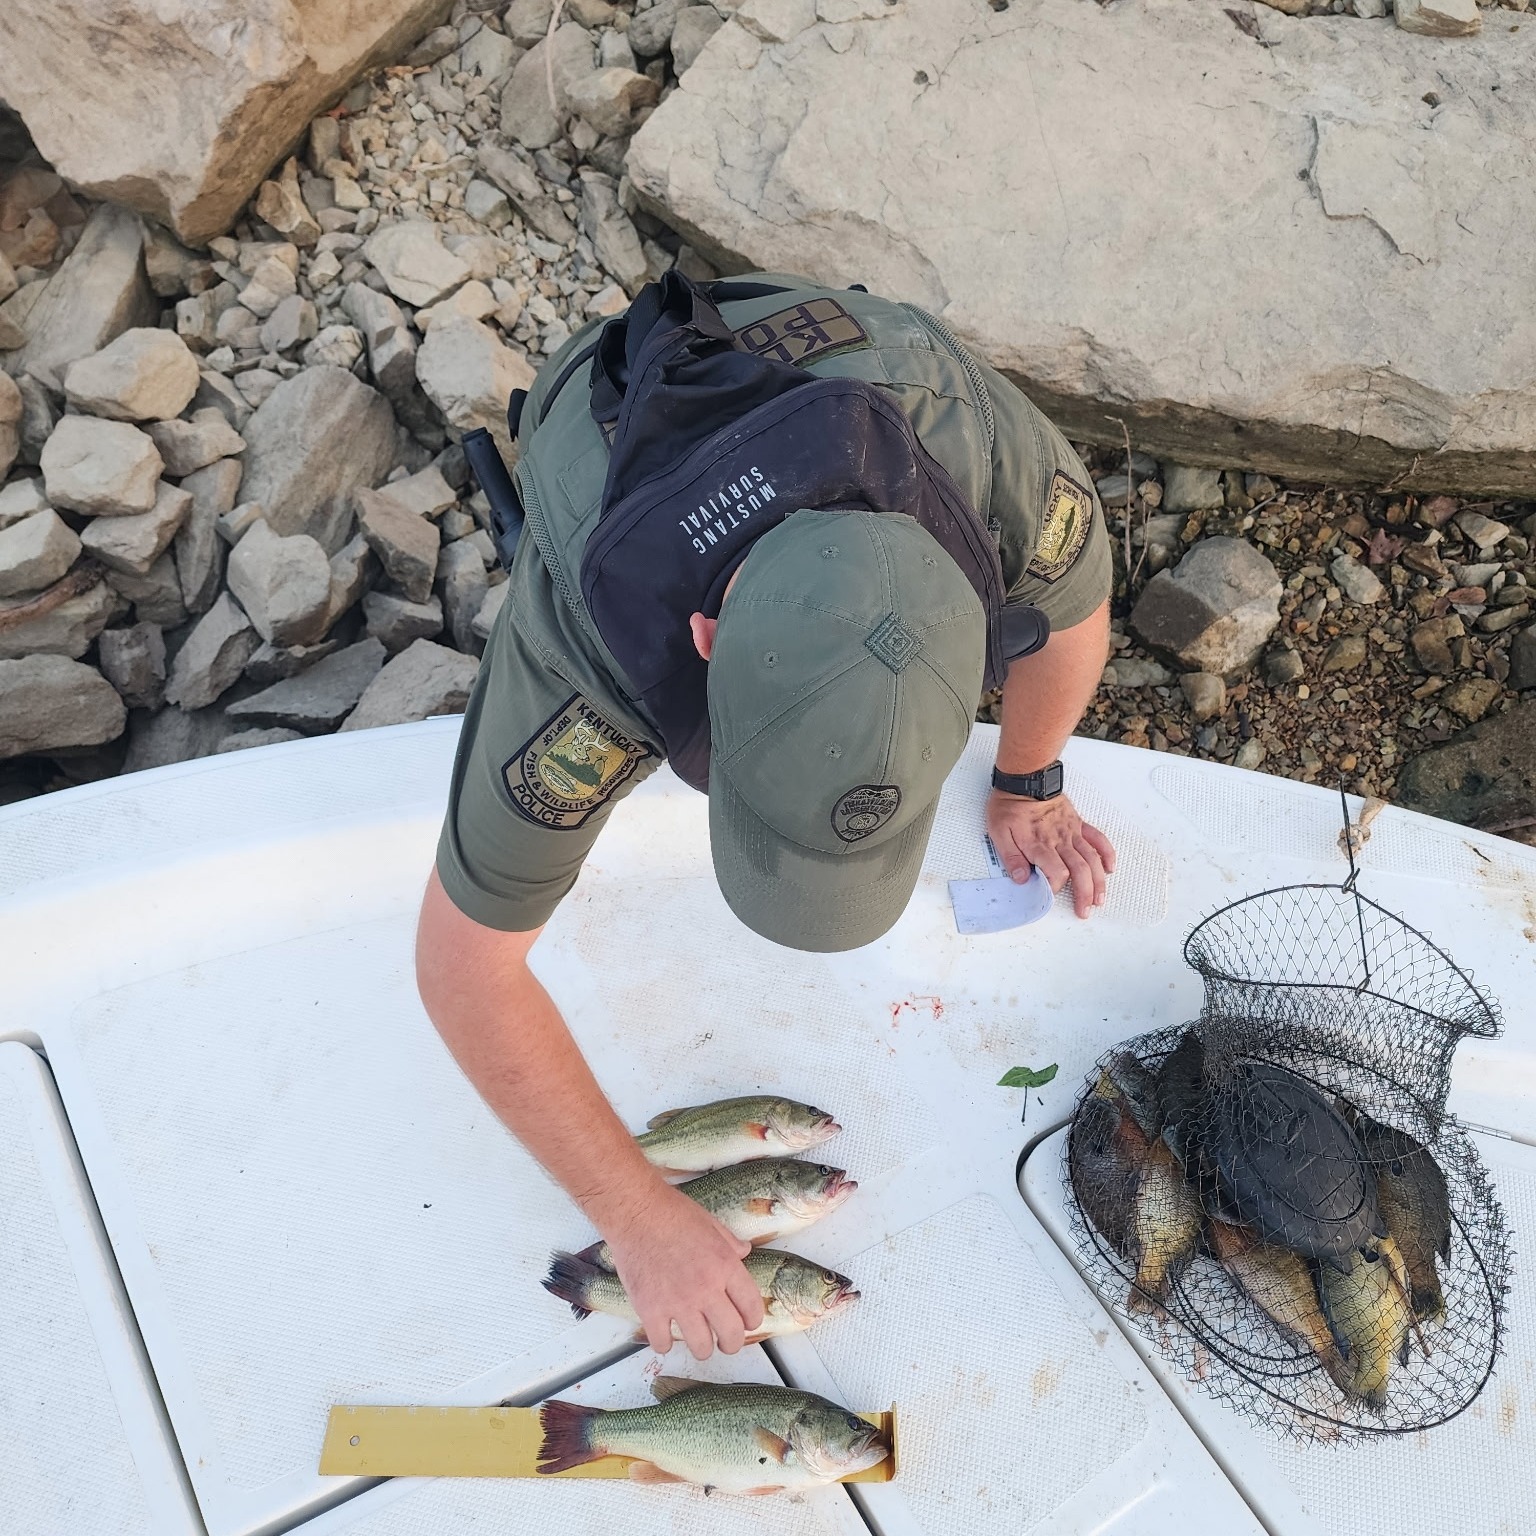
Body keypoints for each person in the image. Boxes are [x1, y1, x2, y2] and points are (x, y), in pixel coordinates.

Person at [415, 272, 1115, 1361]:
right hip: (606, 432)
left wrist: (1032, 776)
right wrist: (640, 1220)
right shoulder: (589, 661)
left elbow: (1075, 614)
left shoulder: (992, 469)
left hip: (882, 366)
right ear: (702, 642)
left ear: (974, 632)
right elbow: (463, 968)